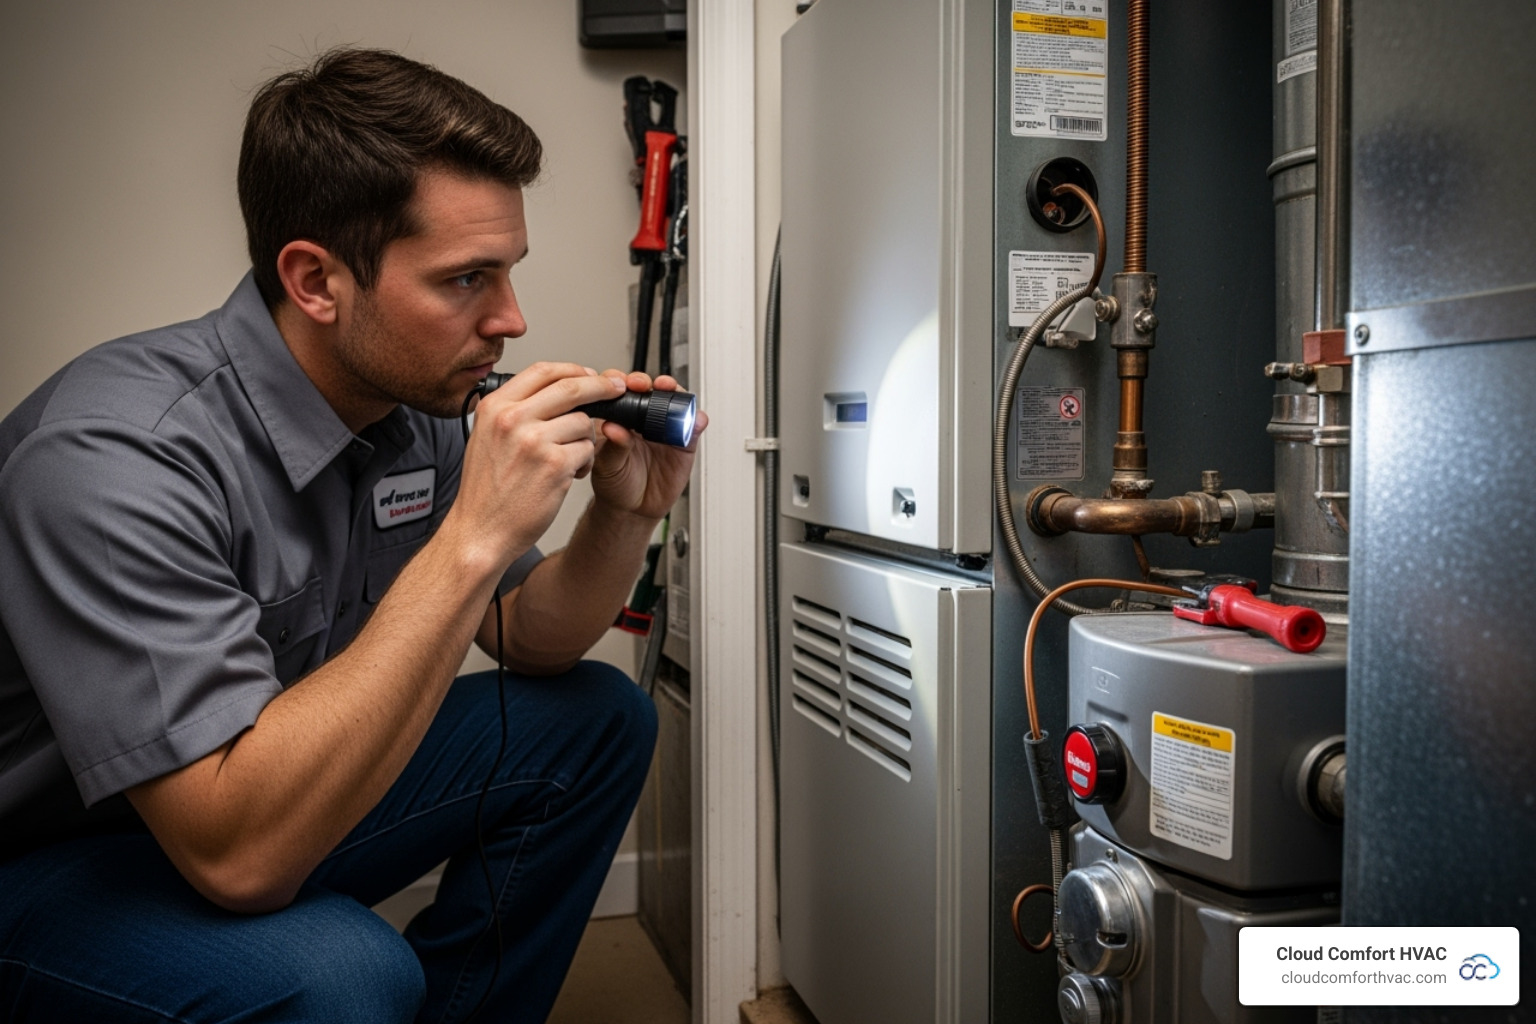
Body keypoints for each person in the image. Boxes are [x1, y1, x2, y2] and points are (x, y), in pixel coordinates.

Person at [0, 47, 701, 1023]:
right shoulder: (113, 456)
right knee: (347, 972)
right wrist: (468, 539)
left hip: (261, 786)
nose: (511, 318)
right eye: (466, 279)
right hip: (56, 856)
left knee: (596, 719)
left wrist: (626, 514)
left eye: (509, 271)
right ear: (316, 280)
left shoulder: (414, 409)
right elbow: (237, 856)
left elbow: (532, 636)